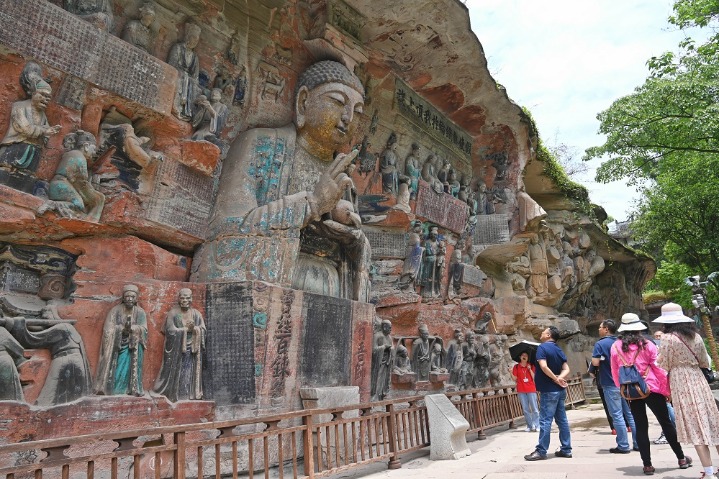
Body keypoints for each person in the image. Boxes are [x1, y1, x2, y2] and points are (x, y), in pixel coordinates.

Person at [191, 60, 369, 302]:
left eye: (357, 112)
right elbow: (225, 230)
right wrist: (312, 204)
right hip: (273, 285)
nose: (348, 117)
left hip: (331, 286)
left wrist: (353, 239)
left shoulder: (343, 175)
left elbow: (352, 257)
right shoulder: (259, 145)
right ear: (303, 102)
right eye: (337, 102)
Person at [610, 312, 691, 476]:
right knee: (666, 423)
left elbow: (615, 372)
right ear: (638, 327)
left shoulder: (616, 347)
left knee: (640, 427)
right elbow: (658, 368)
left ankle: (647, 465)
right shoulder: (647, 344)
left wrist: (622, 389)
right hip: (652, 387)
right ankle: (681, 458)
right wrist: (667, 390)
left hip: (632, 391)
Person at [655, 302, 719, 478]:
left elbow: (663, 363)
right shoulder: (696, 336)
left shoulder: (667, 339)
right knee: (712, 423)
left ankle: (709, 472)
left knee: (695, 426)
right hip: (698, 378)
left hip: (680, 381)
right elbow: (705, 361)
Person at [524, 326, 572, 461]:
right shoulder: (558, 349)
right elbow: (566, 368)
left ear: (549, 335)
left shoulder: (542, 348)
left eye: (544, 331)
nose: (542, 333)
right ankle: (566, 449)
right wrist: (560, 378)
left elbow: (543, 366)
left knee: (545, 420)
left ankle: (541, 451)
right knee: (562, 420)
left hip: (549, 390)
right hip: (559, 390)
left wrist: (556, 379)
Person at [592, 319, 638, 453]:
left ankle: (623, 445)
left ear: (606, 329)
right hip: (625, 382)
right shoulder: (621, 341)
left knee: (617, 415)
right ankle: (637, 443)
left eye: (600, 327)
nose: (599, 329)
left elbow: (595, 362)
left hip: (610, 382)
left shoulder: (600, 344)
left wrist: (601, 359)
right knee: (629, 414)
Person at [153, 288, 206, 402]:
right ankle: (173, 392)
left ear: (191, 299)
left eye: (187, 298)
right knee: (176, 372)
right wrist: (185, 330)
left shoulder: (196, 314)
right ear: (179, 299)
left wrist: (195, 329)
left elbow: (203, 328)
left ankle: (186, 395)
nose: (185, 300)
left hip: (192, 348)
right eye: (182, 298)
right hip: (176, 349)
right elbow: (170, 330)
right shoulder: (173, 313)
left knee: (187, 374)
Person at [95, 284, 148, 396]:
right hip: (117, 346)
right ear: (123, 298)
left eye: (132, 297)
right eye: (127, 296)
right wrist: (121, 329)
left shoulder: (140, 312)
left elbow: (144, 329)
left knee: (130, 369)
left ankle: (132, 389)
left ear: (136, 298)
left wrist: (134, 328)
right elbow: (108, 330)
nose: (129, 299)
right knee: (118, 369)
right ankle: (114, 389)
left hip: (133, 346)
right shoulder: (115, 311)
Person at [0, 79, 60, 172]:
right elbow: (24, 128)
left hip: (33, 151)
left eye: (48, 97)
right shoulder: (19, 106)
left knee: (27, 177)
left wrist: (49, 131)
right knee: (6, 170)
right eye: (43, 95)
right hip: (16, 147)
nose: (46, 99)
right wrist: (44, 131)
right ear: (33, 93)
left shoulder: (42, 114)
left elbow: (46, 130)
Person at [48, 130, 105, 222]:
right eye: (93, 149)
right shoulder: (79, 156)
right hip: (61, 186)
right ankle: (53, 204)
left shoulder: (72, 154)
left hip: (59, 184)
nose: (94, 153)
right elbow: (80, 180)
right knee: (79, 205)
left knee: (84, 203)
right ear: (86, 146)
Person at [167, 23, 202, 121]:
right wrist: (182, 73)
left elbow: (195, 75)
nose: (195, 41)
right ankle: (177, 109)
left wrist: (192, 80)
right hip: (178, 75)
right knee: (179, 82)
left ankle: (188, 113)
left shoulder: (195, 56)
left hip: (189, 80)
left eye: (197, 40)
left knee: (197, 89)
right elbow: (172, 62)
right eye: (193, 38)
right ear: (188, 37)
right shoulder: (177, 48)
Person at [652, 329, 675, 445]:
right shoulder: (656, 347)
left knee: (667, 407)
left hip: (666, 379)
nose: (658, 338)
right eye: (656, 336)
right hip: (662, 380)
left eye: (660, 336)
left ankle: (669, 433)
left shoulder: (664, 348)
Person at [511, 351, 539, 432]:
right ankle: (529, 426)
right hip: (521, 390)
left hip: (531, 389)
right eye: (522, 355)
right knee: (525, 409)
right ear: (520, 357)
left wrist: (530, 369)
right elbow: (514, 379)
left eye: (526, 356)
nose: (524, 357)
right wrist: (510, 372)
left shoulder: (532, 366)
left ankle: (537, 425)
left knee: (534, 408)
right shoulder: (516, 367)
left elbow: (534, 377)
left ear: (527, 358)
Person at [370, 319, 394, 401]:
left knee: (385, 380)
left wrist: (390, 349)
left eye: (391, 328)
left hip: (386, 362)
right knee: (378, 379)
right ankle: (375, 395)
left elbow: (393, 347)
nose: (390, 330)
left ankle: (383, 394)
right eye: (389, 328)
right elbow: (373, 349)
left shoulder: (389, 337)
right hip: (378, 362)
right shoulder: (377, 336)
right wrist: (383, 347)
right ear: (384, 327)